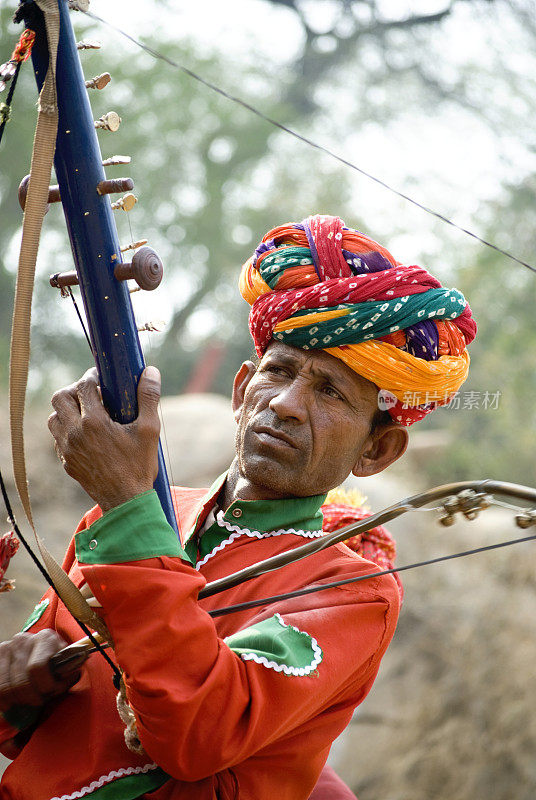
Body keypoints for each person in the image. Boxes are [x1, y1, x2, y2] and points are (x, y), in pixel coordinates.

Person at [0, 215, 476, 799]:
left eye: (329, 392)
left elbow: (197, 731)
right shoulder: (137, 514)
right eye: (278, 371)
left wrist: (127, 501)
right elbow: (28, 734)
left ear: (376, 450)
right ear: (240, 390)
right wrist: (16, 684)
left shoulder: (354, 592)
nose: (287, 403)